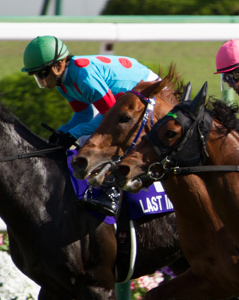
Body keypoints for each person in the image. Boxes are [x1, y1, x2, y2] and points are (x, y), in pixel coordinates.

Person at [20, 35, 159, 215]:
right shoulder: (64, 84)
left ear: (58, 65)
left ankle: (112, 194)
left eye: (42, 74)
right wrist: (63, 131)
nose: (42, 81)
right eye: (37, 76)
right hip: (124, 101)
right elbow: (83, 115)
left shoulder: (83, 77)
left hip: (149, 90)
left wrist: (73, 133)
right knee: (83, 138)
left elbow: (110, 117)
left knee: (100, 139)